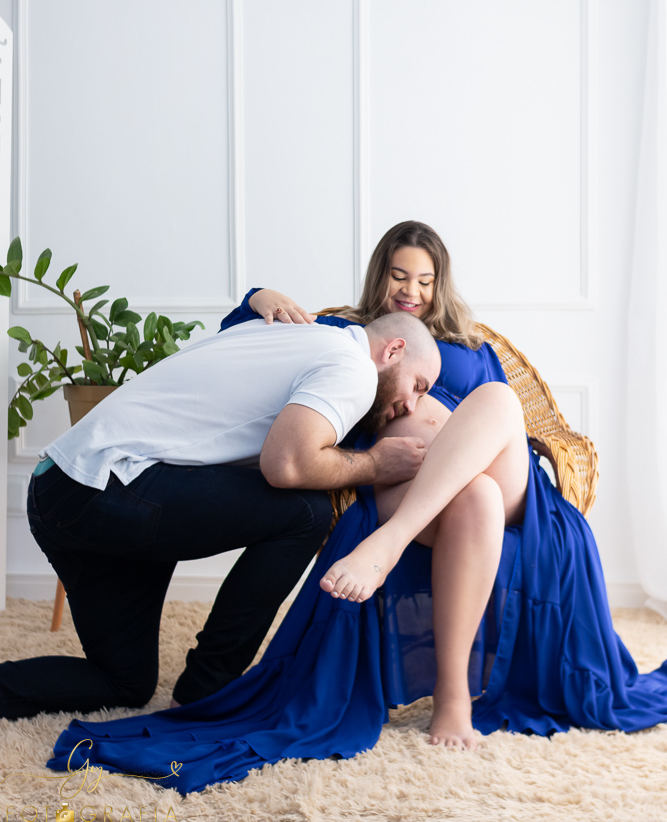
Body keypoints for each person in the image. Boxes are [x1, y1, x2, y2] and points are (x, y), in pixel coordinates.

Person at [48, 221, 667, 795]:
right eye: (401, 276)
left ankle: (390, 541)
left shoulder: (476, 348)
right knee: (470, 496)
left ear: (440, 284)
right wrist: (262, 293)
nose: (413, 290)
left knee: (498, 405)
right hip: (410, 480)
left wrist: (457, 427)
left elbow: (517, 428)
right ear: (382, 278)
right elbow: (248, 329)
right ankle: (454, 697)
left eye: (425, 280)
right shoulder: (347, 335)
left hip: (502, 481)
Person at [0, 308, 441, 721]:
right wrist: (377, 465)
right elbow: (287, 464)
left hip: (59, 489)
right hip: (104, 488)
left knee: (124, 682)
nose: (412, 406)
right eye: (418, 386)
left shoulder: (291, 336)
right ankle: (203, 694)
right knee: (305, 512)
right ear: (393, 350)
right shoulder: (353, 366)